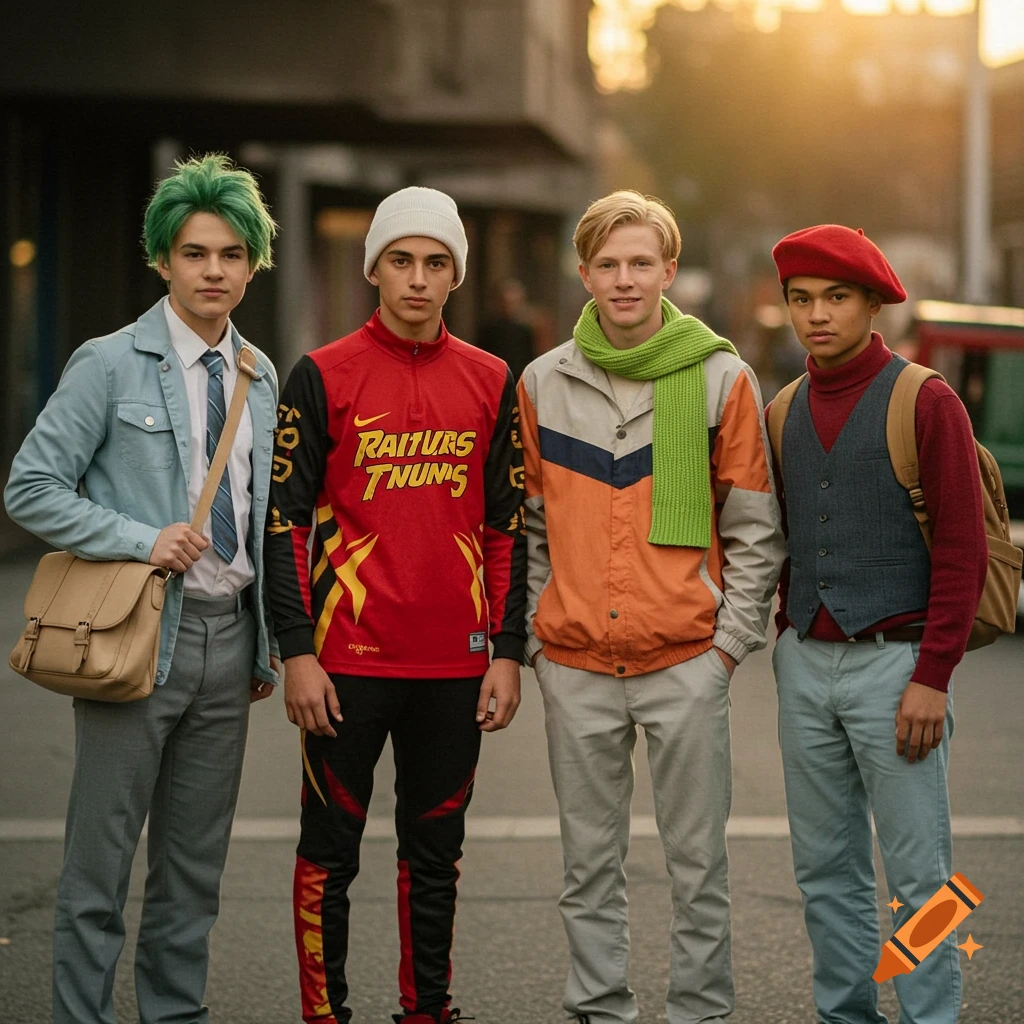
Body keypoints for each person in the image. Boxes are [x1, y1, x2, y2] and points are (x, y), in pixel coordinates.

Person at [4, 153, 281, 1024]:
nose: (214, 271)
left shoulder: (260, 377)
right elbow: (31, 487)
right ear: (163, 259)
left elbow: (262, 511)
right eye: (196, 253)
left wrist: (267, 641)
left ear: (251, 264)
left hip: (228, 642)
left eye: (232, 254)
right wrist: (140, 540)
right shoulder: (108, 363)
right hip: (136, 637)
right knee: (98, 870)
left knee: (193, 875)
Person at [518, 190, 783, 1024]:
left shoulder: (720, 377)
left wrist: (727, 650)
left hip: (685, 661)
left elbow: (754, 530)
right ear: (585, 272)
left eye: (641, 263)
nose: (624, 280)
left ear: (669, 270)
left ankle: (699, 1013)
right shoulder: (541, 383)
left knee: (698, 866)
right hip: (577, 665)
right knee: (588, 867)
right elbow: (528, 527)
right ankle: (600, 1009)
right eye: (607, 264)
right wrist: (538, 640)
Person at [264, 186, 526, 1024]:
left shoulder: (492, 379)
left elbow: (507, 528)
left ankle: (427, 1012)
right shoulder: (321, 374)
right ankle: (324, 1015)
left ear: (456, 275)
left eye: (436, 262)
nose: (418, 278)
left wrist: (508, 652)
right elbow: (285, 521)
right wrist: (296, 649)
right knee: (327, 855)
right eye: (402, 260)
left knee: (435, 857)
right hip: (344, 665)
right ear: (375, 266)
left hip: (455, 665)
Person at [768, 224, 987, 1024]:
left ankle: (932, 1018)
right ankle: (845, 1014)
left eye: (836, 298)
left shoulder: (925, 400)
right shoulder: (782, 409)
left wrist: (933, 676)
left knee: (921, 876)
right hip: (805, 663)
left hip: (898, 666)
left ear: (871, 305)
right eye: (801, 299)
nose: (817, 315)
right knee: (825, 871)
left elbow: (963, 551)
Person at [475, 278, 537, 382]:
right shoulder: (488, 328)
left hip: (517, 378)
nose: (509, 306)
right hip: (493, 377)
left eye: (513, 302)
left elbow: (530, 357)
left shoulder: (525, 330)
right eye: (506, 302)